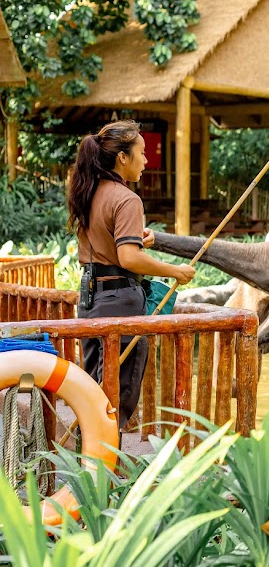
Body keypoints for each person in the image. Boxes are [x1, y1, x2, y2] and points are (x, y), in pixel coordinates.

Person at [67, 120, 195, 430]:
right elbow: (128, 257)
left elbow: (109, 243)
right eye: (143, 152)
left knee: (94, 390)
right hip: (119, 301)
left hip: (89, 298)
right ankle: (104, 461)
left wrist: (137, 239)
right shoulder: (126, 198)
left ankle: (88, 456)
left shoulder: (88, 191)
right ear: (123, 157)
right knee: (117, 397)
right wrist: (175, 271)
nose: (147, 160)